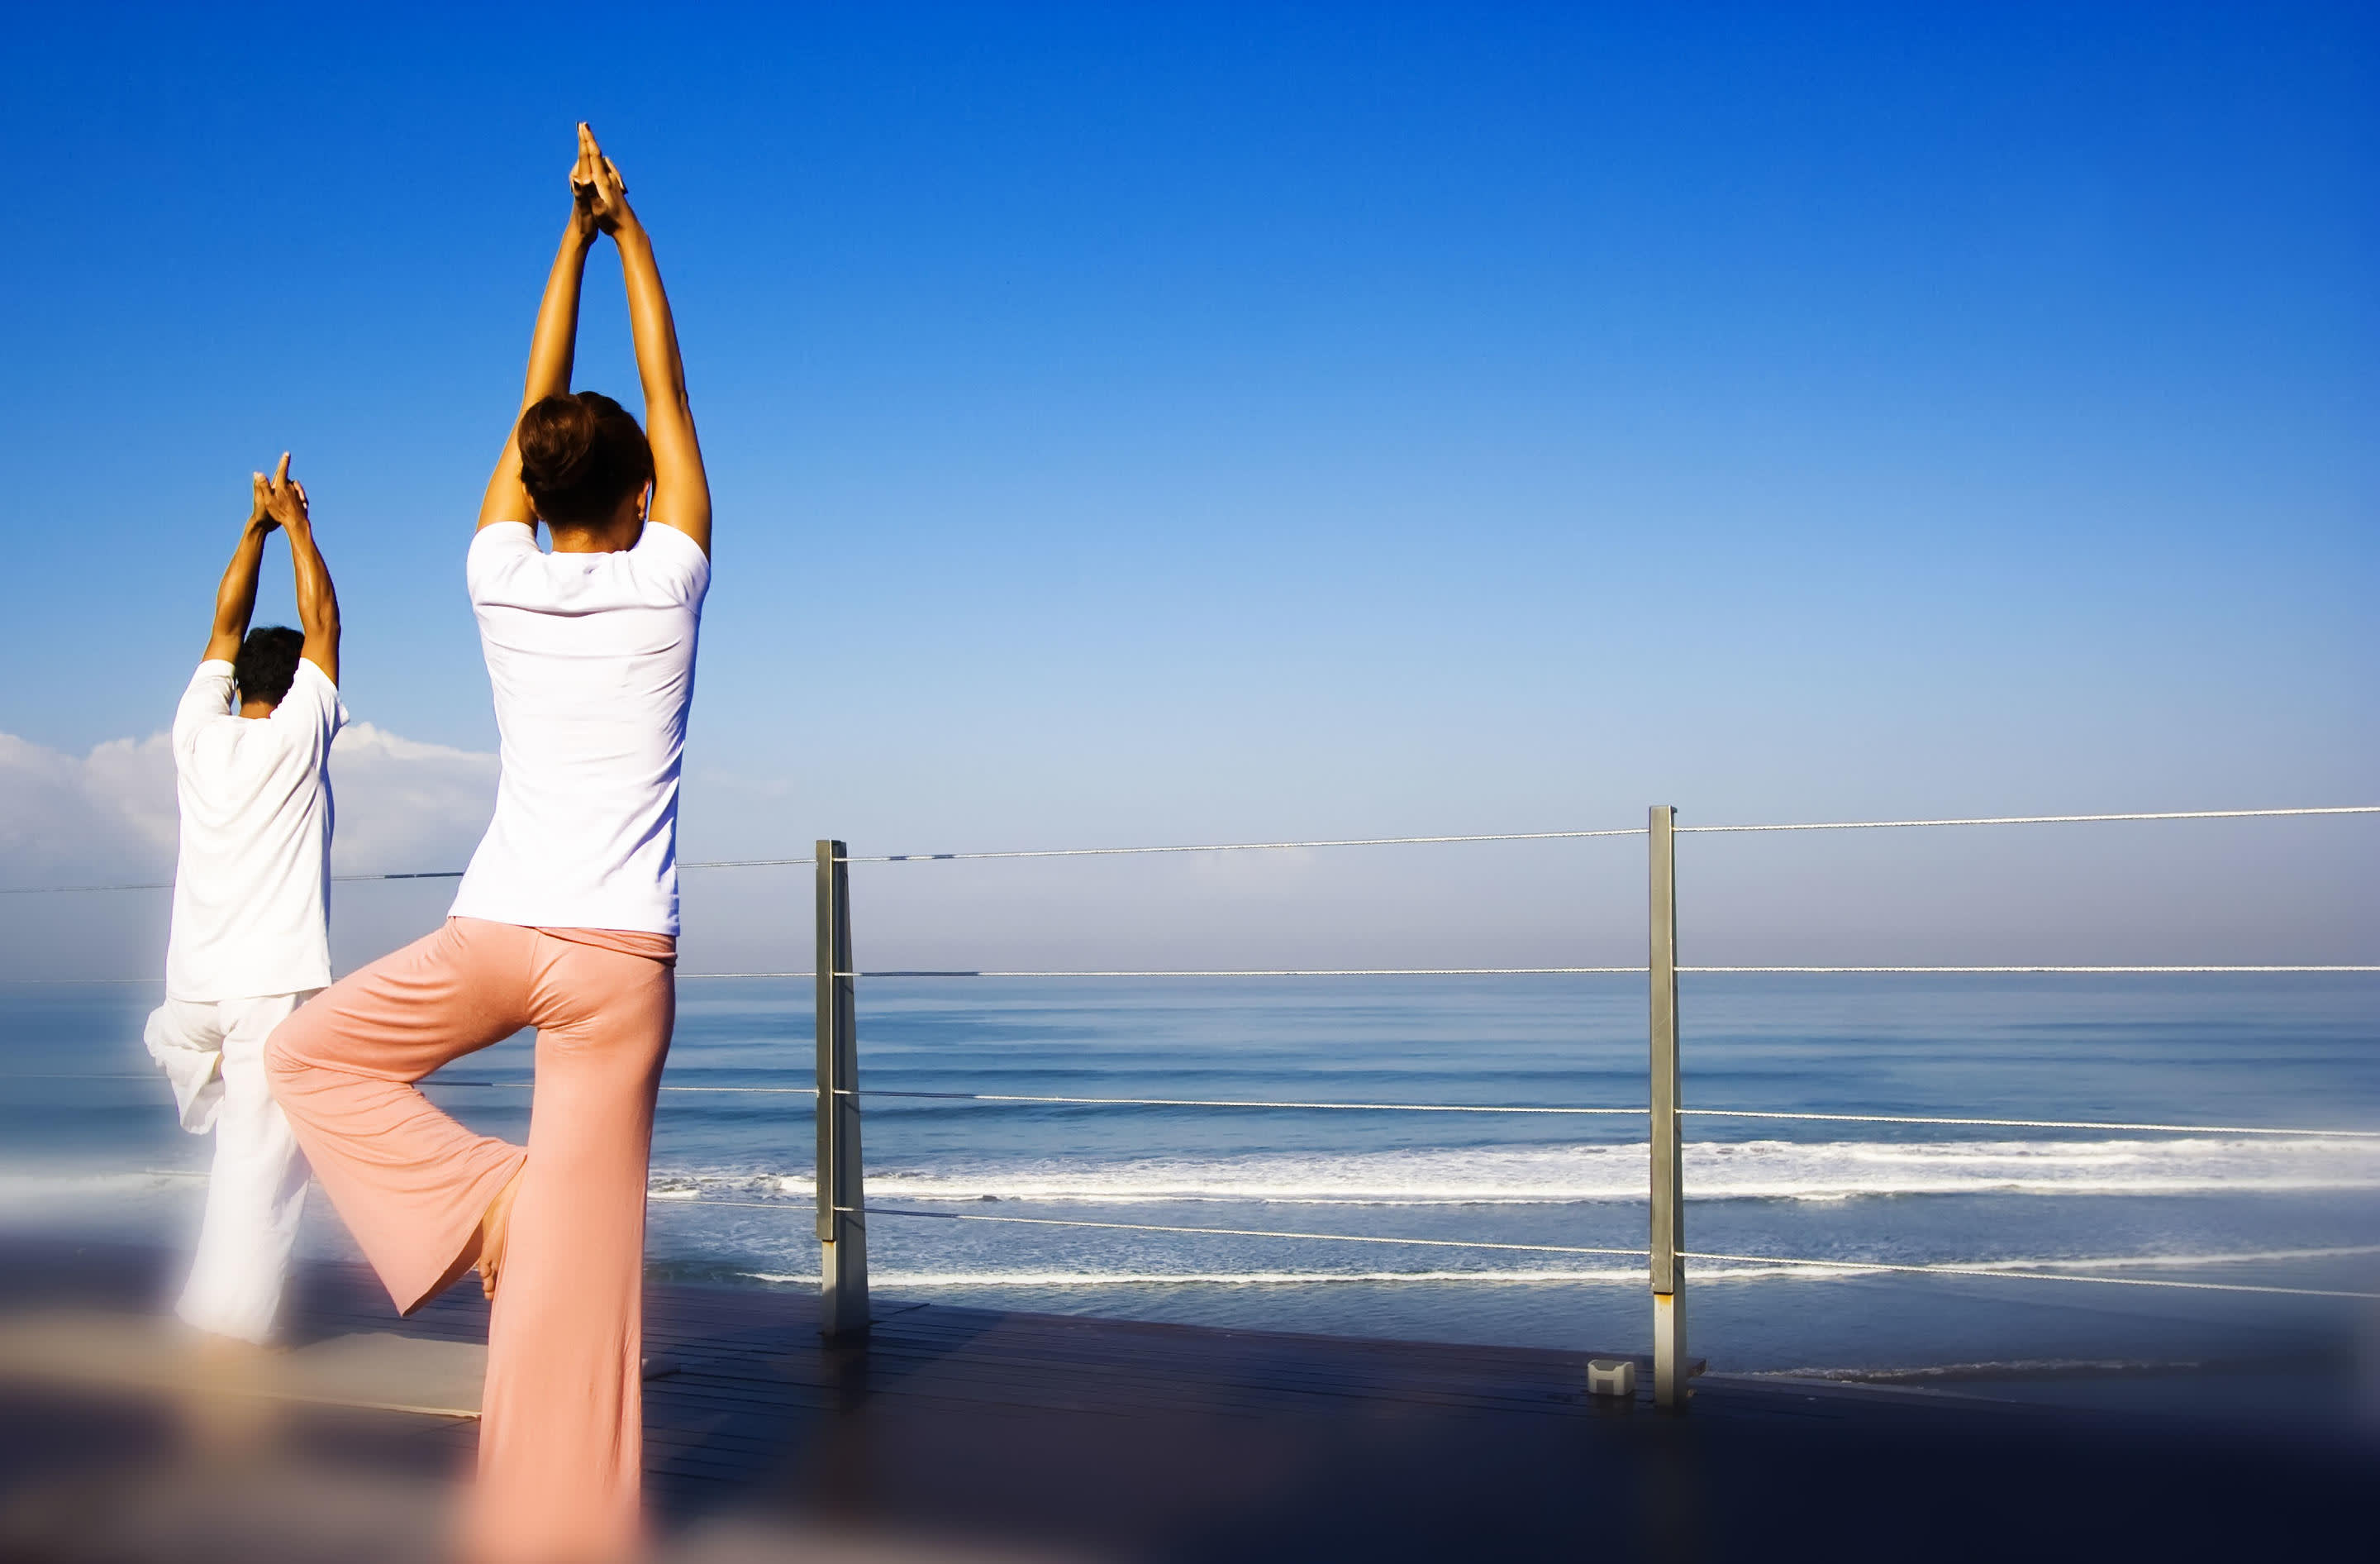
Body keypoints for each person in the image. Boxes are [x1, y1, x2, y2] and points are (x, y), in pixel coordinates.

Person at [266, 124, 710, 1563]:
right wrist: (628, 229)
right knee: (578, 1298)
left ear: (530, 491)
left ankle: (495, 1212)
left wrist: (564, 244)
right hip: (617, 959)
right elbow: (667, 384)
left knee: (309, 1053)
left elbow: (543, 398)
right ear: (641, 496)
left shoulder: (492, 572)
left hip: (501, 928)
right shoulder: (674, 578)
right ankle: (522, 1239)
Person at [145, 455, 343, 1348]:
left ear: (234, 685)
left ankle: (209, 1084)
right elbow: (325, 619)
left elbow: (224, 623)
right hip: (269, 983)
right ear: (297, 684)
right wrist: (300, 522)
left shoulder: (197, 733)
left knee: (220, 1104)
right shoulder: (302, 734)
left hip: (191, 990)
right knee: (260, 1164)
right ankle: (225, 1323)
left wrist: (255, 527)